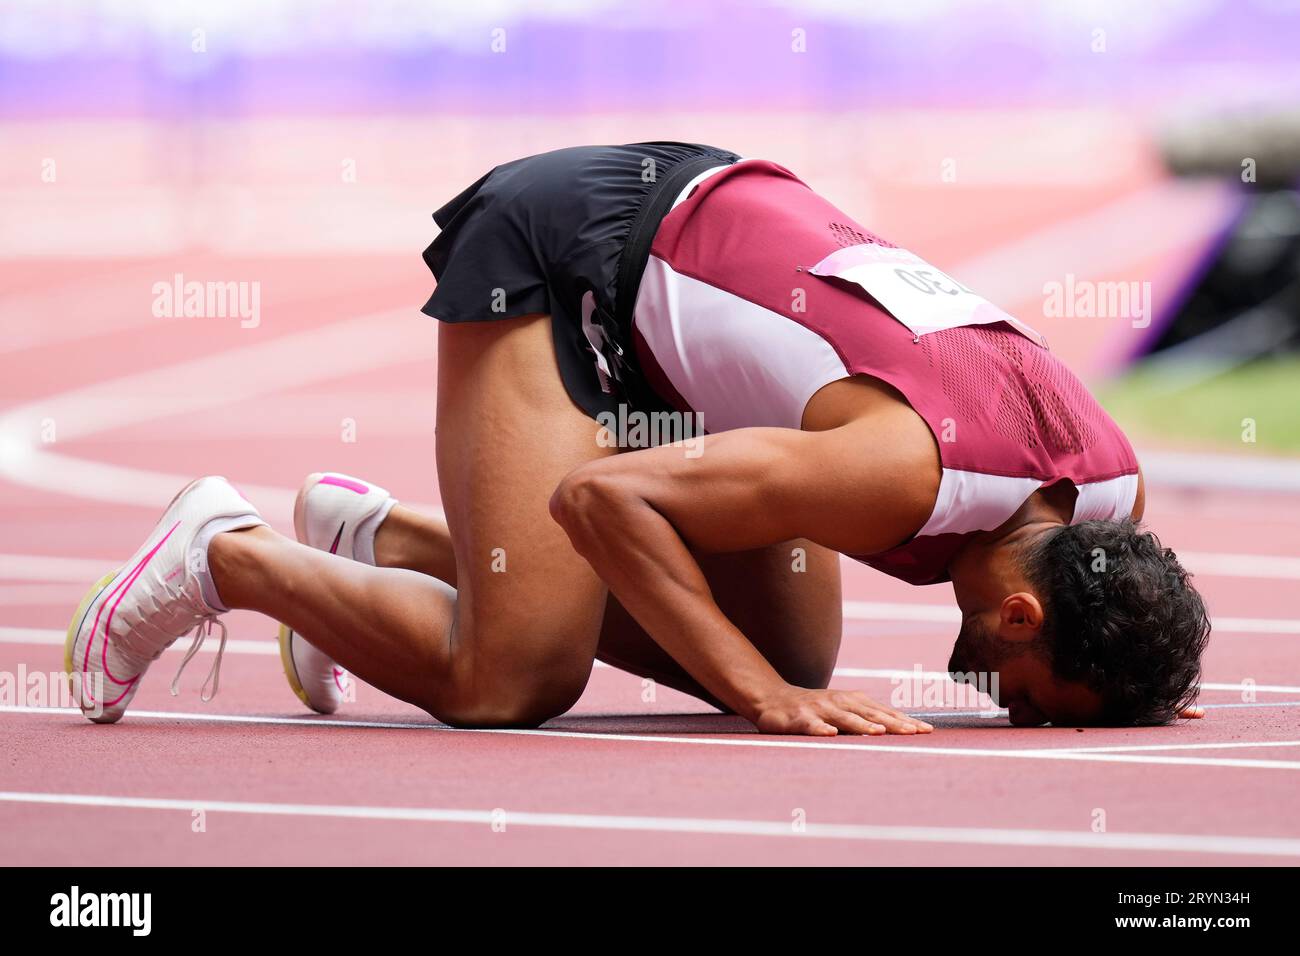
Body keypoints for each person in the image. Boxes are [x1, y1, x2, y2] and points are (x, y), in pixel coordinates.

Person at [65, 142, 1210, 735]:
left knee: (788, 649)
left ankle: (379, 542)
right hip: (572, 259)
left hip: (694, 251)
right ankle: (229, 551)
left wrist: (1137, 679)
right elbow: (602, 506)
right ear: (1021, 612)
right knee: (513, 678)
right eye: (1028, 696)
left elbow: (1110, 631)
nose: (1003, 706)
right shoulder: (896, 469)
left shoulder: (1113, 493)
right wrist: (761, 699)